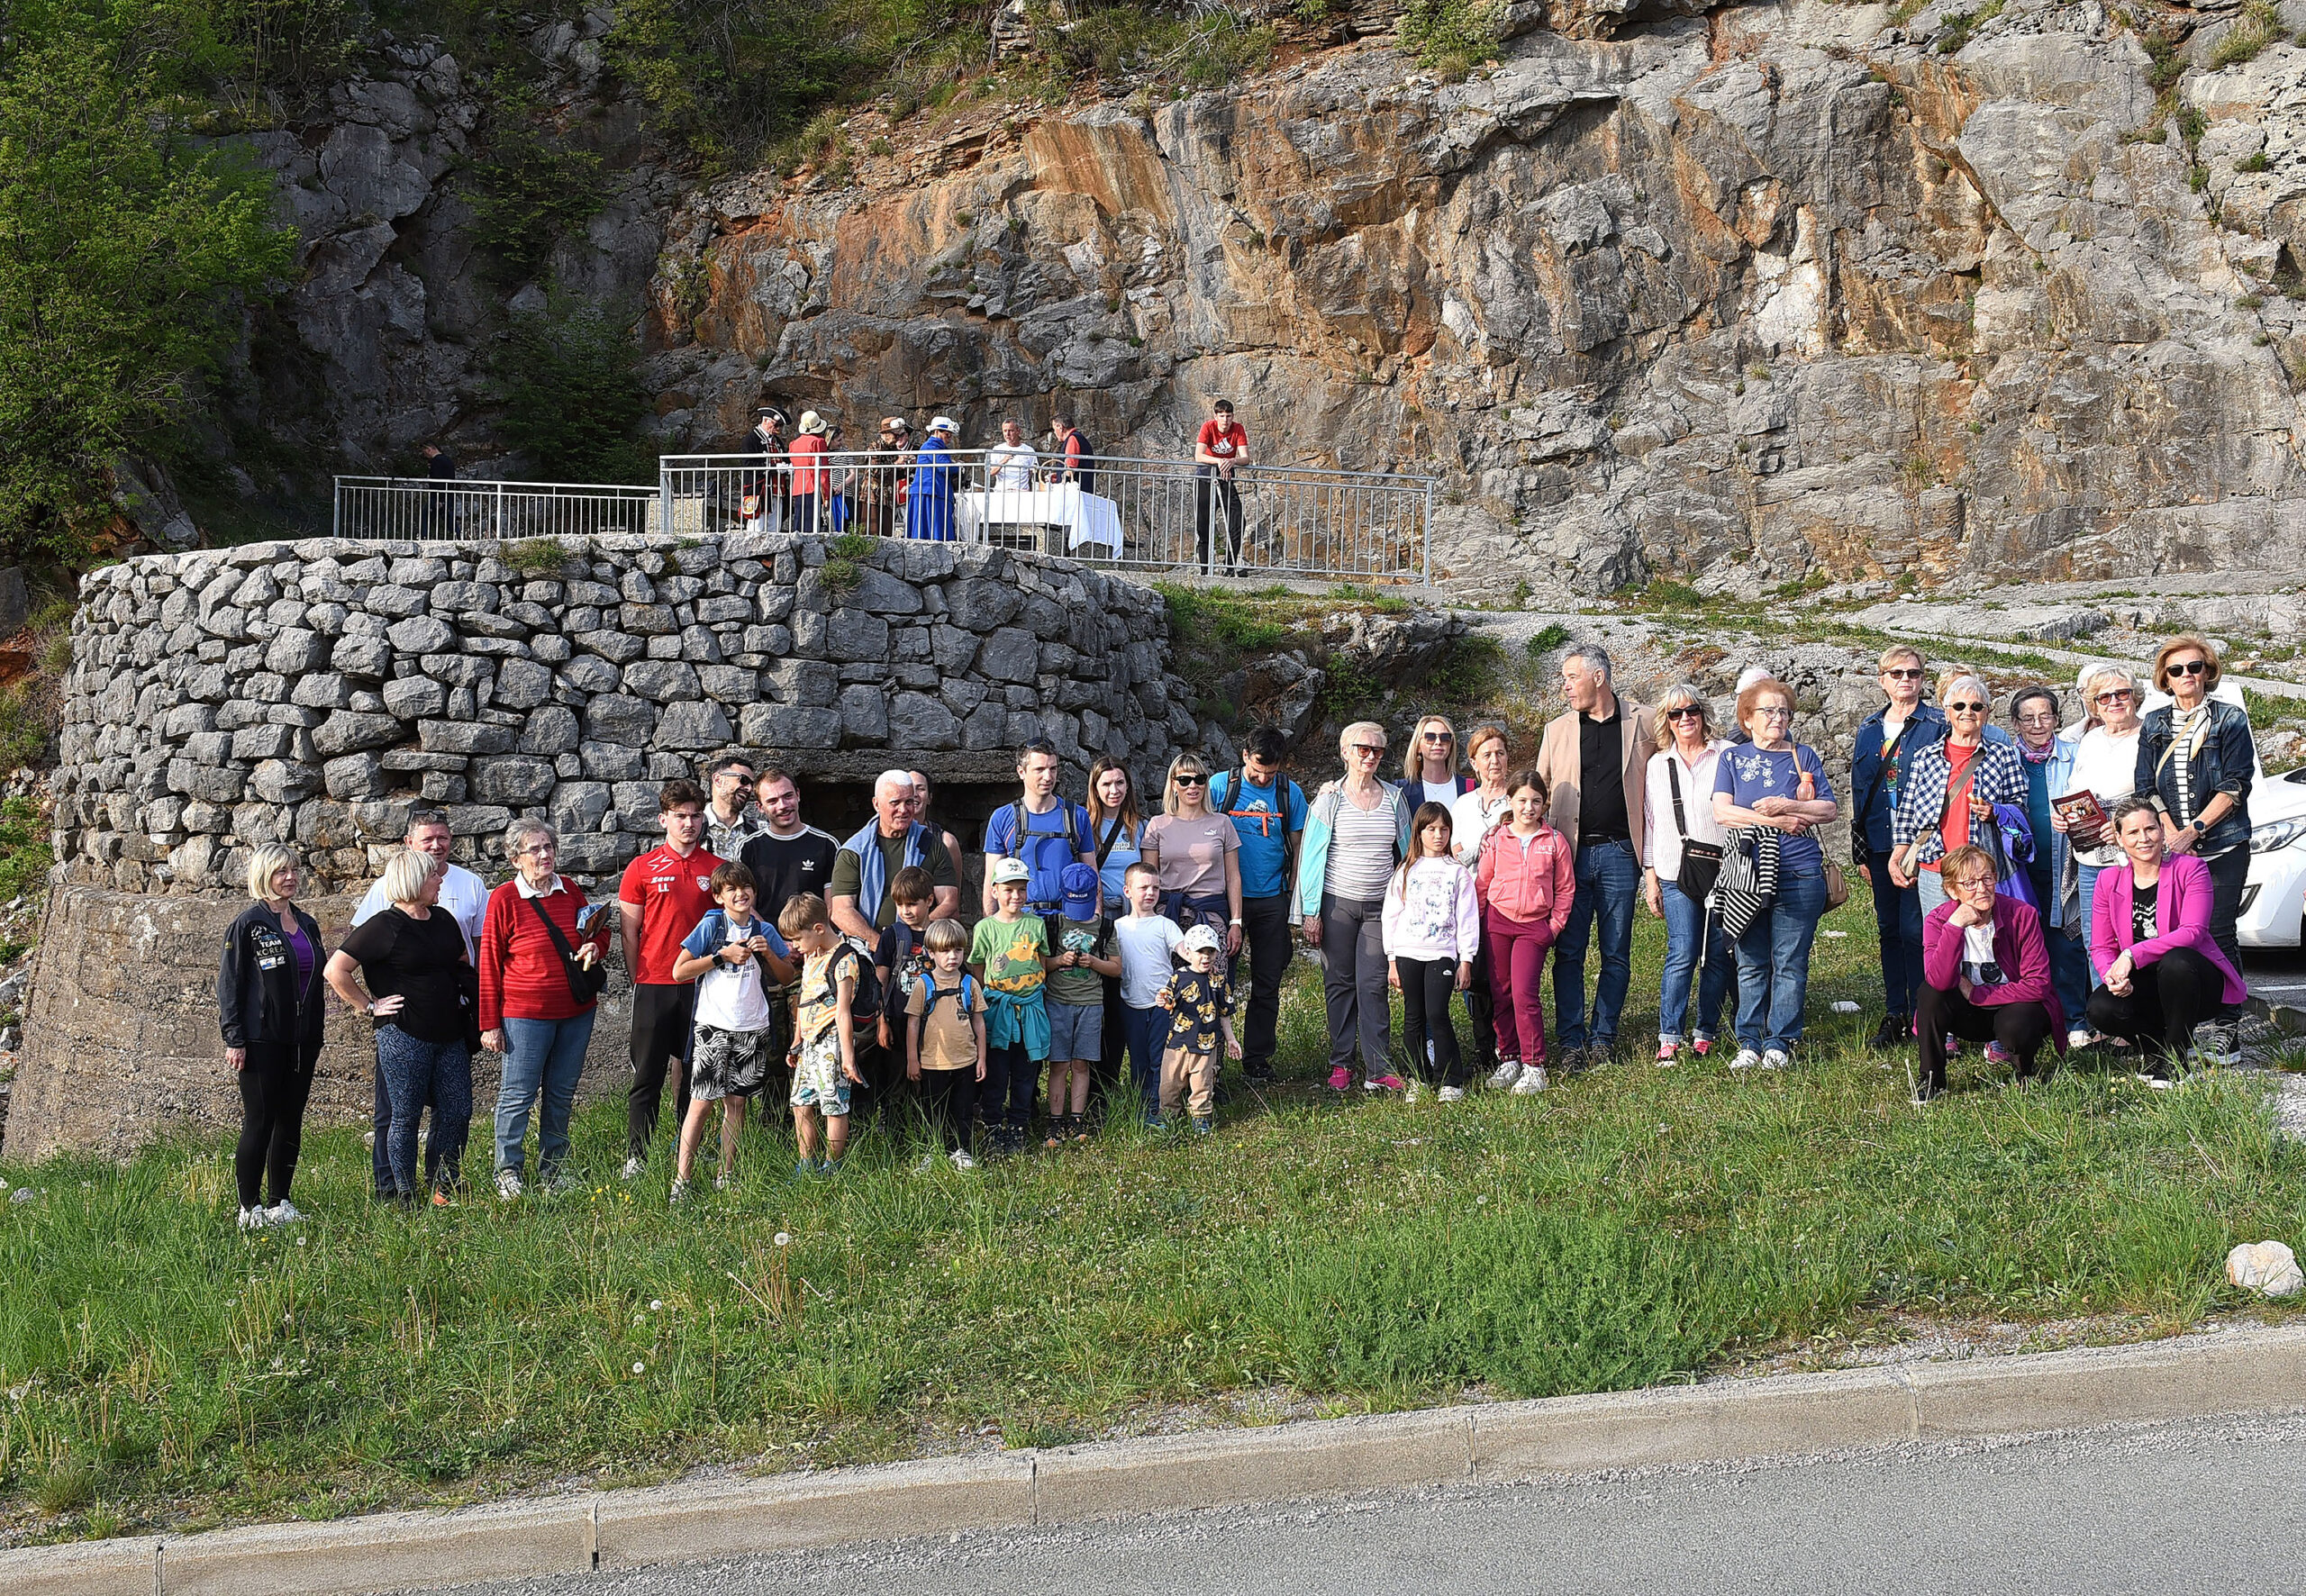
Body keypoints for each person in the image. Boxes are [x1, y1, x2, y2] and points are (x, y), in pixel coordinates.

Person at [350, 807, 487, 1202]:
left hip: (449, 1031)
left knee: (458, 1110)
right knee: (404, 1118)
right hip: (404, 1034)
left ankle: (443, 1184)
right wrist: (370, 1006)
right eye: (433, 876)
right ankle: (403, 1193)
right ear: (415, 878)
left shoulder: (442, 918)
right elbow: (336, 971)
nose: (440, 880)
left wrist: (466, 995)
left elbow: (463, 960)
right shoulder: (383, 925)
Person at [2138, 635, 2256, 1065]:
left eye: (2194, 667)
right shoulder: (2152, 723)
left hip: (2223, 845)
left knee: (2219, 932)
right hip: (2173, 849)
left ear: (2208, 671)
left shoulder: (2229, 718)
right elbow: (2146, 785)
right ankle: (2180, 1027)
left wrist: (2197, 828)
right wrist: (2171, 831)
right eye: (2177, 670)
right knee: (2175, 936)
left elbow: (2236, 783)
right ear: (2165, 678)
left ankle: (2228, 1027)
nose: (2187, 676)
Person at [1712, 677, 1840, 1072]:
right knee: (1750, 961)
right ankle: (1749, 1040)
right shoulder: (1732, 759)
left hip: (1799, 873)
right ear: (1748, 718)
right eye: (1768, 711)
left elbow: (1828, 809)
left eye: (1783, 711)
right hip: (1746, 876)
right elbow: (1722, 811)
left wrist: (1787, 805)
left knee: (1790, 962)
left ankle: (1780, 1041)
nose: (1778, 717)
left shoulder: (1803, 756)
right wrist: (1779, 821)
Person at [477, 820, 611, 1200]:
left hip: (576, 1009)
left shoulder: (568, 889)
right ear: (516, 859)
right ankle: (508, 1170)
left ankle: (555, 1167)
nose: (545, 855)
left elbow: (598, 928)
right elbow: (488, 962)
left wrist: (596, 947)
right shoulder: (504, 899)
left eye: (548, 846)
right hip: (525, 1013)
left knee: (561, 1092)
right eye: (534, 849)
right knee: (517, 1094)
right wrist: (490, 1023)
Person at [1534, 643, 1651, 1071]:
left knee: (1616, 952)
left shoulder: (1645, 720)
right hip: (1570, 857)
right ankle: (1571, 1039)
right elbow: (1538, 792)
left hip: (1622, 853)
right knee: (1569, 951)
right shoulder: (1557, 730)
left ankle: (1603, 1037)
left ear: (1597, 677)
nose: (1565, 686)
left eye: (1570, 677)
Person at [2086, 797, 2249, 1075]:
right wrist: (2112, 977)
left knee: (2176, 961)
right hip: (2144, 980)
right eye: (2133, 832)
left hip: (2193, 979)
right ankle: (2154, 1047)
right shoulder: (2107, 880)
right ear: (2119, 837)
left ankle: (2176, 1059)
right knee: (2100, 1008)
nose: (2144, 839)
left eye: (2150, 829)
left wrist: (2130, 955)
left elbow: (2193, 932)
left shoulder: (2190, 869)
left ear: (2161, 830)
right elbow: (2100, 945)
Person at [1296, 721, 1413, 1095]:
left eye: (1377, 750)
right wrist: (1309, 912)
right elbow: (1311, 858)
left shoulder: (1395, 799)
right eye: (1363, 749)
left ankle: (1378, 1068)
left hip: (1381, 907)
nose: (1370, 756)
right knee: (1339, 983)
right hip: (1337, 904)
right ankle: (1341, 1063)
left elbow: (1408, 853)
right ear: (1345, 753)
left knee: (1373, 984)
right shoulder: (1328, 799)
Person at [667, 862, 795, 1200]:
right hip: (714, 1027)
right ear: (719, 896)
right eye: (732, 890)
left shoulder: (764, 931)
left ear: (754, 892)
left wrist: (769, 954)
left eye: (746, 888)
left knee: (737, 1104)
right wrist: (720, 957)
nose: (740, 894)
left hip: (752, 1027)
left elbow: (787, 977)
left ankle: (728, 1174)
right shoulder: (712, 925)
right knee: (701, 1102)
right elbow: (679, 971)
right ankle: (682, 1180)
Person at [615, 780, 722, 1179]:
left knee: (697, 1074)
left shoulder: (715, 869)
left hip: (704, 984)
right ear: (664, 819)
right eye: (680, 816)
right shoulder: (641, 868)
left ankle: (688, 1153)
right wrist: (637, 979)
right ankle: (636, 1157)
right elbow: (630, 931)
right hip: (655, 983)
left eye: (696, 816)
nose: (689, 824)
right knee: (647, 1075)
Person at [218, 844, 326, 1229]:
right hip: (261, 1038)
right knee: (260, 1120)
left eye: (294, 870)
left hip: (302, 1039)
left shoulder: (308, 924)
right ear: (264, 875)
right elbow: (230, 984)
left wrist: (315, 1030)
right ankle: (249, 1208)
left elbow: (315, 982)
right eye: (282, 871)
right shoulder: (247, 924)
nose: (290, 878)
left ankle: (281, 1200)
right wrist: (234, 1037)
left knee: (291, 1119)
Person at [1914, 844, 2065, 1103]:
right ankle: (1932, 1079)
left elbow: (2038, 984)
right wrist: (1954, 927)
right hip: (1967, 1015)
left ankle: (2025, 1073)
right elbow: (1938, 980)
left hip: (2012, 1007)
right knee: (1929, 993)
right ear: (1952, 890)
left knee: (2020, 1019)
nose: (1981, 888)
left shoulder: (2022, 914)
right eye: (1970, 883)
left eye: (1987, 878)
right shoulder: (1938, 920)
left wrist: (1976, 993)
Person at [1850, 646, 1946, 1048]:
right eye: (1896, 673)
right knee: (1889, 928)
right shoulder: (1869, 729)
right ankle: (1895, 1011)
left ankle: (1927, 1012)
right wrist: (1860, 850)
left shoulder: (1936, 724)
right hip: (1878, 840)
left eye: (1913, 673)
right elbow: (1859, 791)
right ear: (1882, 679)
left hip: (1919, 842)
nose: (1905, 680)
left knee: (1916, 928)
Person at [1205, 728, 1305, 1085]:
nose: (1263, 778)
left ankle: (1257, 1059)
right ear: (1244, 754)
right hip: (1222, 897)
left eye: (1271, 772)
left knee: (1268, 980)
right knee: (1216, 979)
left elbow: (1299, 848)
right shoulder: (1219, 786)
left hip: (1271, 899)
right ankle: (1211, 1061)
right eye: (1258, 769)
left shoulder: (1288, 792)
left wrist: (1293, 897)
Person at [1642, 685, 1733, 1065]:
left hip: (1726, 868)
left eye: (1691, 711)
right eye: (1675, 714)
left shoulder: (1727, 754)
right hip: (1674, 869)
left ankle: (1705, 1031)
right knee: (1682, 951)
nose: (1685, 719)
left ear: (1703, 713)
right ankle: (1669, 1036)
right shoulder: (1657, 765)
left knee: (1717, 954)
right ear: (1666, 721)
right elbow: (1650, 823)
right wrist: (1650, 877)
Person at [1887, 675, 2027, 915]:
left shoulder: (2004, 755)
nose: (1968, 712)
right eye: (1960, 706)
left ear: (1987, 712)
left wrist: (1995, 812)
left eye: (1976, 706)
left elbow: (2020, 807)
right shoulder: (1925, 756)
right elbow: (1907, 811)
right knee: (1941, 941)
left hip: (1982, 869)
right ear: (1947, 711)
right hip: (1935, 865)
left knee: (1985, 943)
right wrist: (1898, 853)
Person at [1475, 767, 1575, 1095]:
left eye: (1536, 801)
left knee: (1523, 994)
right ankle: (1509, 1057)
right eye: (1522, 801)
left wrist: (1554, 927)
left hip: (1534, 926)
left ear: (1544, 806)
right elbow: (1483, 883)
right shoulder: (1496, 839)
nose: (1528, 808)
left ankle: (1535, 1066)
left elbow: (1565, 888)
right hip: (1497, 922)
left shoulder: (1554, 841)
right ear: (1510, 801)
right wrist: (1476, 924)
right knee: (1501, 992)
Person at [1383, 803, 1481, 1103]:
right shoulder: (1405, 870)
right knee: (1413, 1016)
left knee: (1437, 1013)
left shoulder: (1458, 872)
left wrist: (1466, 960)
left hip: (1442, 954)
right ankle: (1418, 1077)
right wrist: (1391, 959)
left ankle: (1451, 1078)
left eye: (1444, 829)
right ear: (1419, 832)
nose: (1438, 835)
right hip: (1408, 952)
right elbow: (1391, 914)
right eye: (1431, 829)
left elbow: (1467, 918)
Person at [2009, 686, 2093, 1037]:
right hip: (2018, 870)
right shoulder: (2004, 758)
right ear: (2015, 722)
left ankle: (2074, 1020)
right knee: (2024, 944)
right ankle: (2034, 1020)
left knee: (2067, 943)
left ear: (2057, 719)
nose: (2038, 724)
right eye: (2028, 718)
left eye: (2045, 716)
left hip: (2067, 866)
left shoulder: (2077, 756)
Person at [971, 857, 1052, 1154]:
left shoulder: (1035, 924)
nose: (1015, 896)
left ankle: (1019, 1125)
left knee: (1026, 1071)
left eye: (1021, 890)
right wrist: (992, 992)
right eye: (1008, 890)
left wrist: (1034, 988)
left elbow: (1041, 960)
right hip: (999, 1010)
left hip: (1030, 1008)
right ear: (994, 891)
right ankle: (993, 1126)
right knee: (996, 1072)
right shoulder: (985, 928)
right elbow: (977, 965)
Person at [779, 893, 865, 1175]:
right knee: (801, 1103)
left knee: (833, 1104)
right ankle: (806, 1162)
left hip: (832, 1043)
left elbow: (843, 1011)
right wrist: (796, 1040)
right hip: (809, 1043)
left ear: (818, 929)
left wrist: (848, 1057)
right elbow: (805, 998)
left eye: (797, 940)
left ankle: (833, 1164)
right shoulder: (812, 955)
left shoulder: (843, 959)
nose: (795, 947)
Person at [2065, 665, 2144, 966]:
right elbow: (2076, 789)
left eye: (2121, 693)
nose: (2114, 702)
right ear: (2094, 705)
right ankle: (2106, 1010)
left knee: (2137, 938)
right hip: (2089, 859)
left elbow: (2159, 795)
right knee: (2095, 941)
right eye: (2104, 697)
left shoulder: (2150, 735)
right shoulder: (2091, 739)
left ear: (2134, 696)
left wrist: (2125, 824)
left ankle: (2137, 1011)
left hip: (2134, 857)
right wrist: (2065, 819)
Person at [1452, 726, 1515, 1088]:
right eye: (1486, 755)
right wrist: (1485, 848)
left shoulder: (1517, 800)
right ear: (1474, 763)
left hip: (1507, 902)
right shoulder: (1462, 806)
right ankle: (1483, 1047)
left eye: (1500, 753)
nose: (1495, 760)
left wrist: (1477, 850)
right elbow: (1454, 852)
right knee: (1475, 979)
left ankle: (1510, 1048)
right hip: (1469, 902)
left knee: (1503, 979)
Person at [829, 771, 961, 940]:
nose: (903, 810)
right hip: (868, 950)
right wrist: (882, 946)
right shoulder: (854, 852)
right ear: (876, 804)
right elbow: (841, 912)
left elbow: (949, 902)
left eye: (909, 802)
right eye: (895, 803)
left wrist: (913, 936)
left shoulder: (931, 845)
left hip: (923, 946)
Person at [1085, 756, 1148, 1095]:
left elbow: (1151, 876)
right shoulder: (1084, 826)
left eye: (1120, 783)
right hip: (1097, 923)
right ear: (1094, 788)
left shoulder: (1140, 826)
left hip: (1130, 922)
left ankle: (1130, 1082)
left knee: (1126, 1003)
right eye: (1106, 784)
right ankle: (1096, 1087)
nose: (1114, 790)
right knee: (1099, 1003)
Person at [1044, 863, 1119, 1146]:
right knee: (1058, 1064)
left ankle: (1077, 1117)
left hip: (1090, 1003)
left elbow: (1116, 968)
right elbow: (1041, 965)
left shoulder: (1104, 927)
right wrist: (1058, 961)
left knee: (1081, 1064)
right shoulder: (1053, 924)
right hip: (1058, 1002)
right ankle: (1054, 1119)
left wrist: (1095, 963)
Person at [1142, 751, 1245, 957]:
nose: (1193, 786)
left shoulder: (1222, 823)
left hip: (1211, 915)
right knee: (1168, 985)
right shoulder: (1157, 825)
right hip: (1168, 916)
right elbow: (1148, 879)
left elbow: (1233, 877)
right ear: (1173, 785)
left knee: (1213, 984)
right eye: (1184, 780)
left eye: (1199, 779)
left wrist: (1236, 922)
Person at [981, 739, 1095, 923]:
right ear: (1021, 772)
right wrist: (990, 924)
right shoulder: (1003, 818)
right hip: (1019, 922)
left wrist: (1095, 918)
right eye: (1039, 769)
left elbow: (1091, 871)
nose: (1048, 777)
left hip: (1069, 919)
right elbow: (991, 878)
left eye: (1053, 769)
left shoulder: (1077, 816)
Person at [906, 919, 987, 1169]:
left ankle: (961, 1150)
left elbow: (980, 1023)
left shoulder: (969, 983)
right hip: (933, 1061)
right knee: (934, 1110)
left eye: (958, 950)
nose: (952, 956)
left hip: (965, 1060)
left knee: (963, 1109)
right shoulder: (924, 984)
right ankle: (933, 1150)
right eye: (945, 951)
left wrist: (982, 1058)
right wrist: (912, 1059)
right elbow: (912, 1024)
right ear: (931, 953)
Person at [1114, 861, 1185, 1117]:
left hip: (1162, 1003)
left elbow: (1184, 950)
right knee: (1138, 1059)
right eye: (1143, 887)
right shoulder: (1118, 927)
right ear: (1127, 891)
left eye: (1155, 887)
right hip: (1130, 1003)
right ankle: (1141, 1107)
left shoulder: (1164, 924)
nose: (1150, 893)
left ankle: (1161, 1108)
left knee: (1160, 1058)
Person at [1155, 924, 1239, 1132]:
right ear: (1188, 952)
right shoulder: (1178, 977)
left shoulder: (1219, 980)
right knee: (1168, 1085)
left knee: (1203, 1085)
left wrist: (1231, 1040)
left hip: (1206, 1045)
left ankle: (1200, 1118)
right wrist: (1162, 999)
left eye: (1210, 952)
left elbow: (1225, 1013)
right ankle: (1168, 1117)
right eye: (1201, 951)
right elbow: (1167, 1001)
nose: (1206, 957)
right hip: (1177, 1045)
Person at [737, 766, 842, 927]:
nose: (783, 806)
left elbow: (832, 905)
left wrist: (811, 941)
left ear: (798, 795)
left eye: (788, 796)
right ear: (760, 807)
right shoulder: (748, 848)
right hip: (764, 945)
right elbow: (743, 906)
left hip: (814, 946)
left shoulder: (827, 845)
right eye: (772, 801)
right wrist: (774, 942)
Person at [873, 866, 939, 1060]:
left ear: (929, 900)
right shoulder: (891, 935)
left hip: (935, 1017)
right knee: (897, 1078)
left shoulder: (941, 934)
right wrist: (881, 1022)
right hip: (897, 1017)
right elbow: (880, 981)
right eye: (899, 905)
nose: (905, 911)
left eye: (911, 904)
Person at [1194, 398, 1249, 574]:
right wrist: (1220, 461)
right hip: (1205, 480)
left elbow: (1246, 458)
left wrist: (1232, 461)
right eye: (1222, 416)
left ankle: (1229, 566)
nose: (1225, 420)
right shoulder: (1208, 427)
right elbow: (1199, 455)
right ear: (1216, 416)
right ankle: (1204, 570)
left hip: (1226, 481)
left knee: (1238, 522)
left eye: (1229, 416)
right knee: (1203, 526)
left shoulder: (1238, 429)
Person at [906, 770, 968, 887]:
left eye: (921, 789)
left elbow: (954, 895)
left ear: (929, 798)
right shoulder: (884, 837)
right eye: (910, 788)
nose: (914, 794)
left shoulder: (946, 842)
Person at [1402, 715, 1475, 811]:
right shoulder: (1402, 791)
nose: (1438, 742)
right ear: (1418, 746)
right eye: (1430, 737)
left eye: (1445, 737)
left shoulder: (1470, 789)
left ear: (1451, 746)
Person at [905, 415, 961, 540]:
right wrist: (959, 467)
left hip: (932, 491)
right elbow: (944, 468)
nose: (949, 438)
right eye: (947, 434)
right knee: (933, 527)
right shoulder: (931, 446)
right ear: (937, 432)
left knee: (930, 526)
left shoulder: (934, 447)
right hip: (930, 492)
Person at [703, 755, 765, 863]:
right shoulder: (692, 826)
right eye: (743, 780)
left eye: (752, 784)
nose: (749, 788)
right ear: (718, 780)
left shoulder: (760, 831)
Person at [861, 416, 914, 538]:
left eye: (899, 435)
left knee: (887, 529)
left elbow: (894, 474)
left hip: (888, 497)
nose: (897, 438)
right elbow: (874, 471)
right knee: (872, 530)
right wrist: (896, 464)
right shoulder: (875, 448)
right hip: (873, 495)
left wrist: (907, 465)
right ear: (886, 434)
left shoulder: (893, 449)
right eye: (895, 435)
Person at [788, 411, 831, 536]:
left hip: (798, 487)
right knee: (811, 525)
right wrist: (826, 496)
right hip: (813, 487)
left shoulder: (794, 444)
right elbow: (823, 471)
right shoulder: (818, 442)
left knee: (799, 522)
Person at [744, 407, 787, 534]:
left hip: (777, 489)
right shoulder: (751, 439)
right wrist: (773, 468)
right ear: (766, 421)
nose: (779, 429)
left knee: (775, 526)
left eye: (781, 426)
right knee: (757, 525)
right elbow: (748, 464)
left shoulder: (777, 441)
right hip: (759, 489)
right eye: (776, 425)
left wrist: (788, 467)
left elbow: (785, 458)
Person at [987, 417, 1039, 495]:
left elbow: (1033, 472)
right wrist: (1003, 462)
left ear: (1018, 431)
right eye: (1005, 431)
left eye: (1011, 431)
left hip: (1022, 493)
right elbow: (990, 472)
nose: (1007, 434)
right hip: (1001, 492)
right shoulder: (997, 449)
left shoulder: (1029, 450)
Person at [1050, 414, 1095, 494]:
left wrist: (1062, 482)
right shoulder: (1079, 438)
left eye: (1054, 429)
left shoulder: (1072, 440)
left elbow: (1070, 468)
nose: (1054, 432)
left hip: (1074, 492)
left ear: (1060, 427)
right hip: (1085, 488)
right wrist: (1057, 476)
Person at [422, 441, 458, 535]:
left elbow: (437, 479)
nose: (425, 456)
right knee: (448, 516)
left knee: (426, 517)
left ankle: (424, 536)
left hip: (438, 495)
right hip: (448, 493)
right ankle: (458, 536)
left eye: (425, 452)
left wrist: (439, 499)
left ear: (429, 450)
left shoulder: (436, 461)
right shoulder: (447, 460)